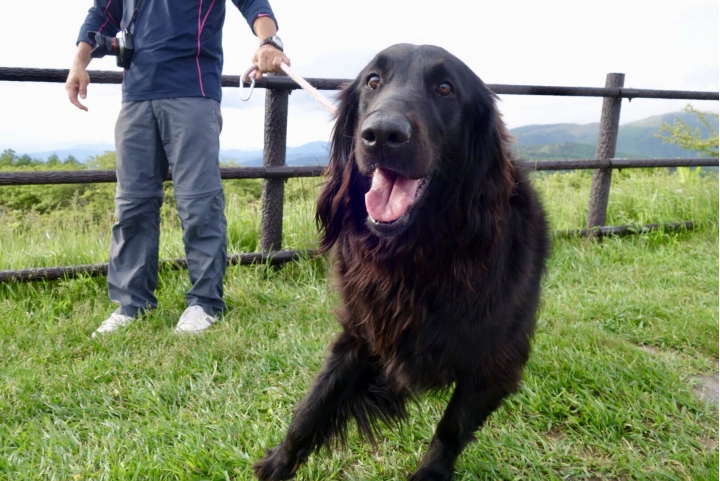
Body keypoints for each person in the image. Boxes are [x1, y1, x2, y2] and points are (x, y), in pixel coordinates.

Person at [66, 0, 290, 335]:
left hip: (193, 91)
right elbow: (101, 13)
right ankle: (131, 304)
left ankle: (204, 303)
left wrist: (268, 42)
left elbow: (253, 3)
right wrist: (78, 63)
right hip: (136, 96)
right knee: (132, 203)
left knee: (199, 201)